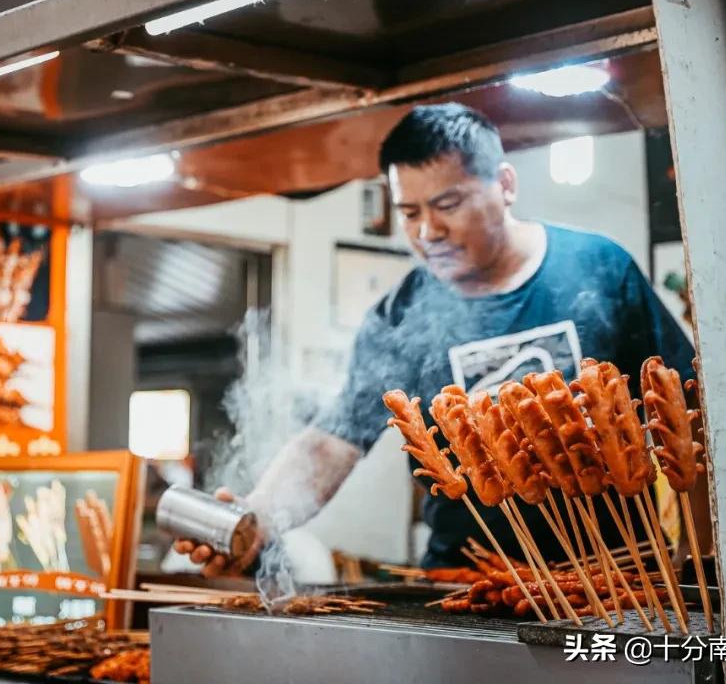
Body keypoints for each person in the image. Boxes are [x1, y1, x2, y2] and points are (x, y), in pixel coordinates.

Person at [175, 103, 696, 576]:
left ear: (505, 184)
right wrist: (260, 517)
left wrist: (706, 554)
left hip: (621, 581)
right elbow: (333, 441)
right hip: (470, 584)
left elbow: (689, 407)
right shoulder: (400, 315)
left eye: (448, 203)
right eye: (409, 212)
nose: (428, 232)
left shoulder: (599, 269)